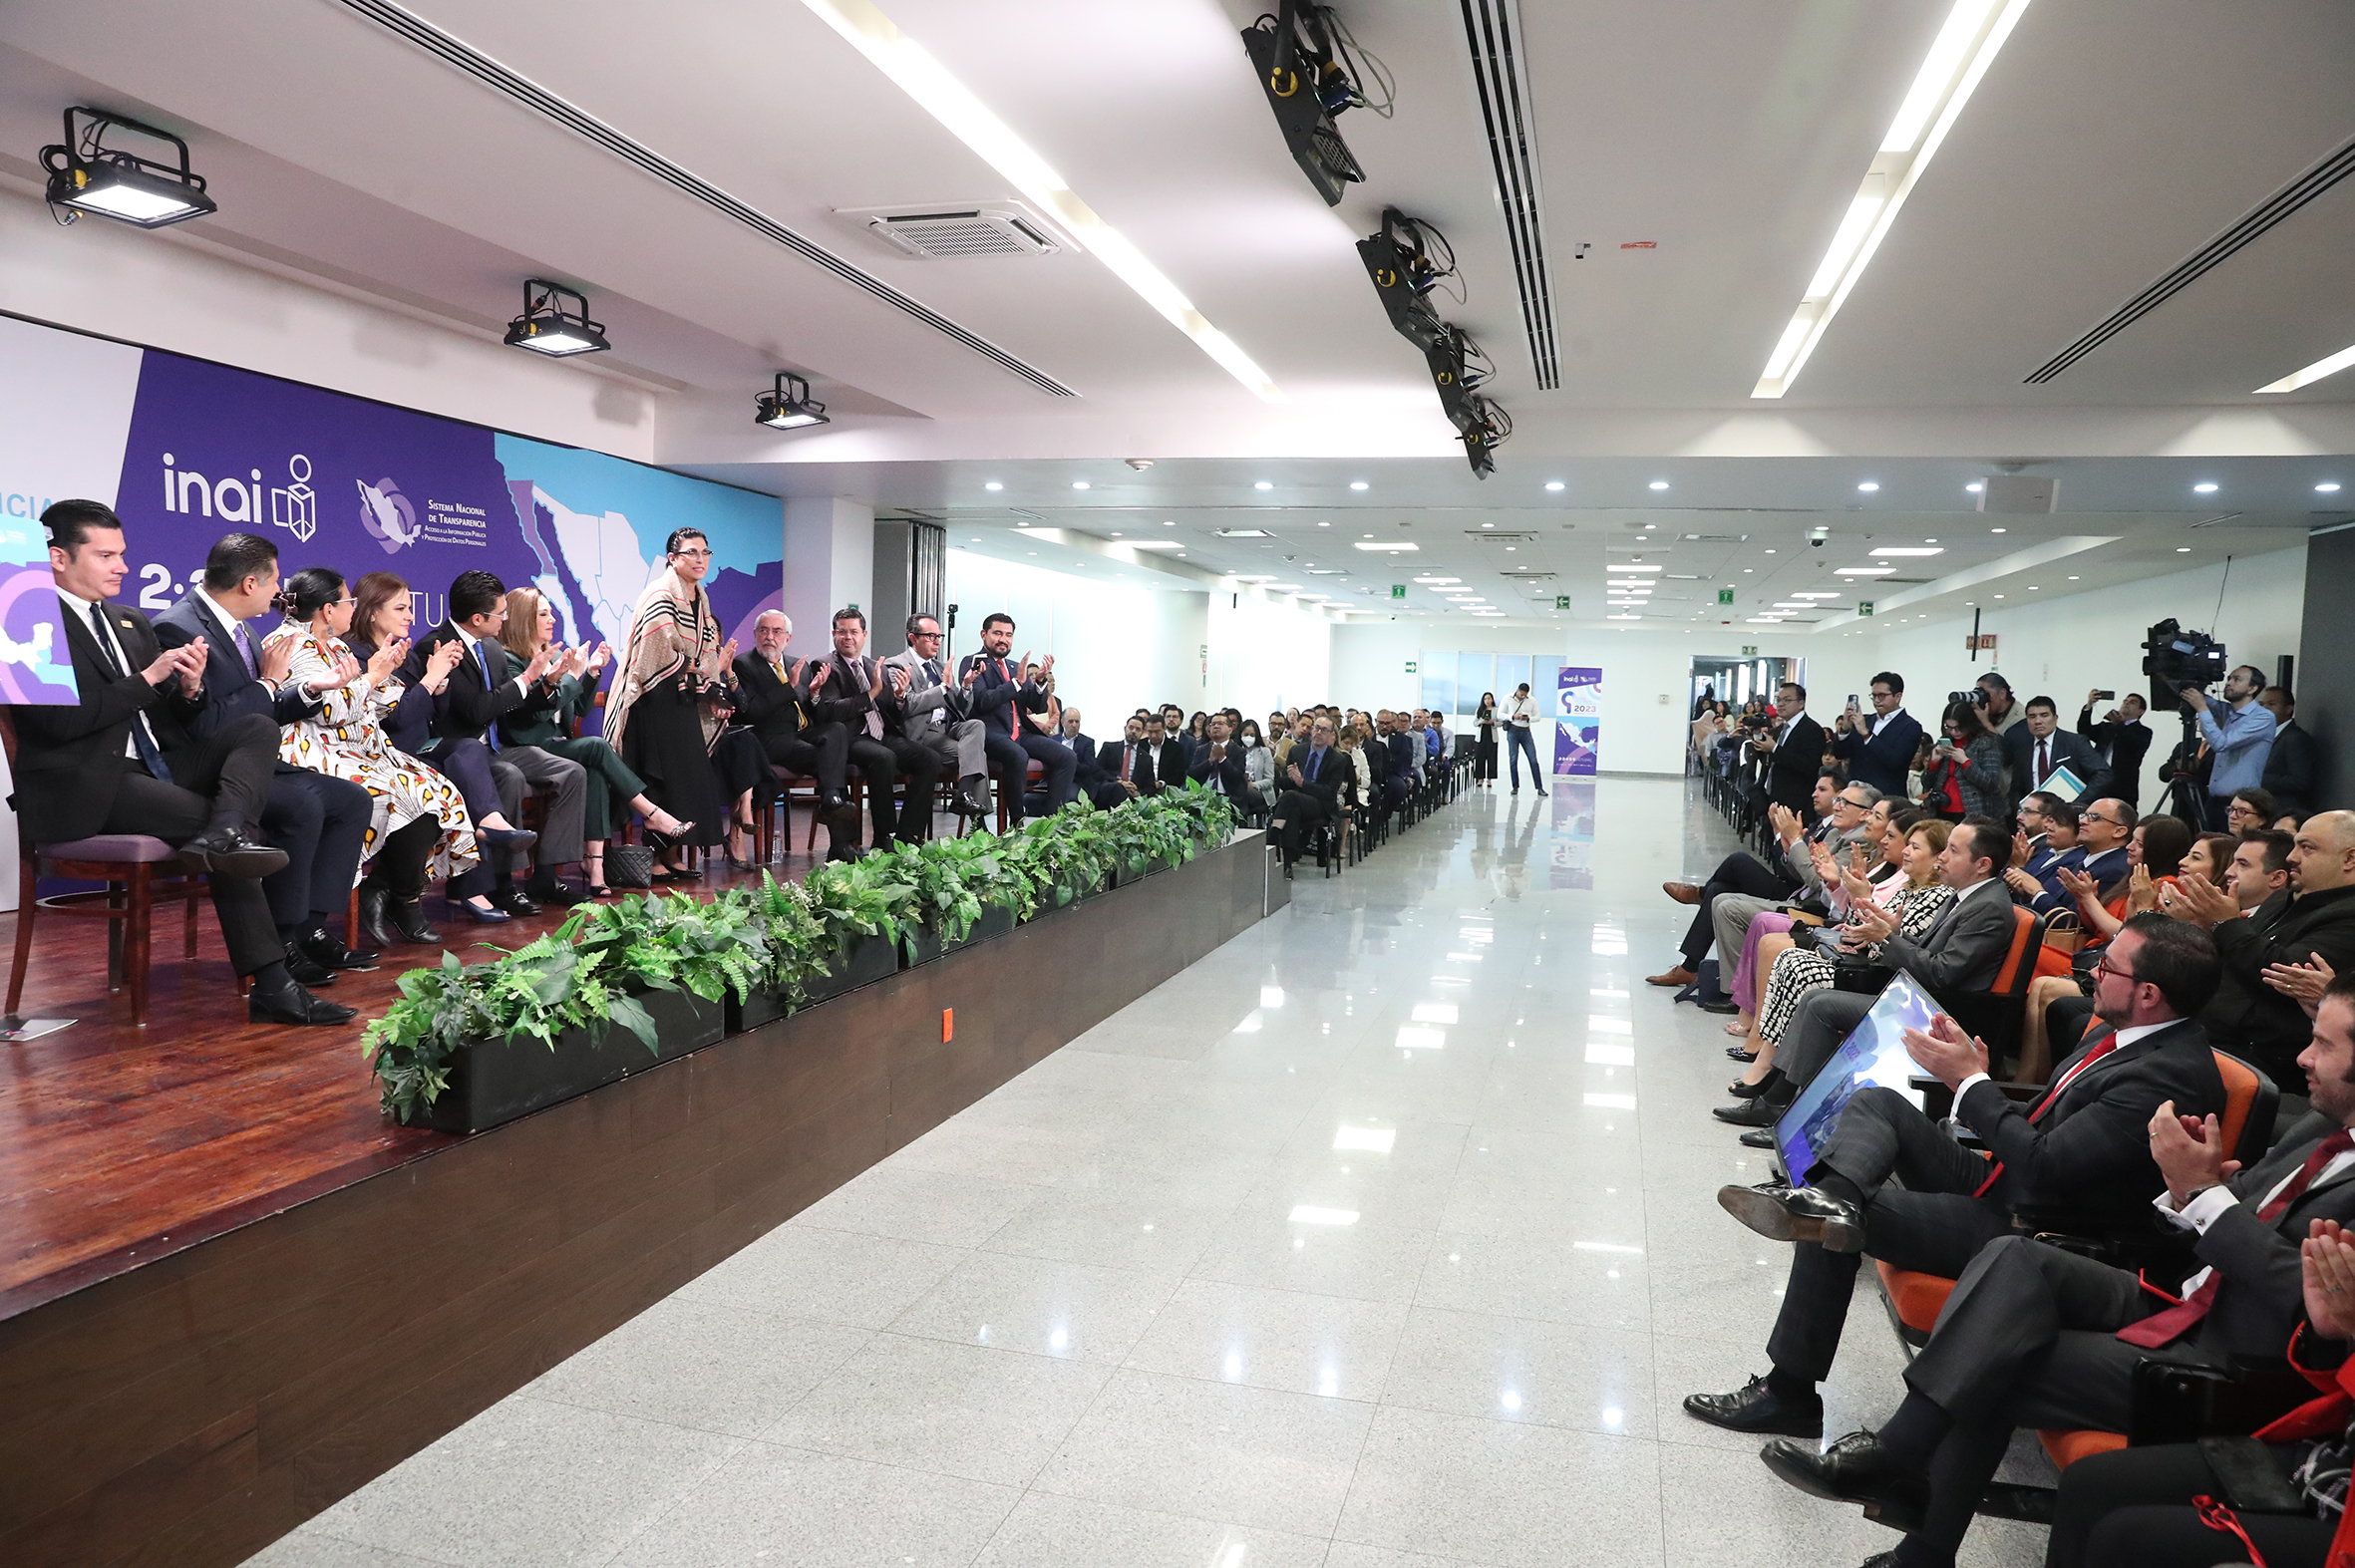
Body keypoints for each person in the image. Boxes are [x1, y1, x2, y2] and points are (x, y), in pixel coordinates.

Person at [1758, 970, 2355, 1568]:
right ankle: (1898, 1469)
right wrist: (2188, 1191)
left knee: (1992, 1356)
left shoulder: (2173, 1070)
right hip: (2178, 1293)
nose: (2303, 1057)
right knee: (2005, 1263)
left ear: (2150, 991)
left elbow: (2315, 1302)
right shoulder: (2322, 1127)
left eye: (2324, 1045)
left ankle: (1905, 1497)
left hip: (2238, 1361)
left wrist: (2204, 1196)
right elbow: (2219, 1215)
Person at [1688, 915, 2226, 1440]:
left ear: (2148, 993)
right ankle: (1833, 1199)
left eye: (2107, 967)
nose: (2093, 973)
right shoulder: (2124, 1034)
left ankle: (1789, 1392)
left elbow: (2045, 1166)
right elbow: (2044, 1125)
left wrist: (1971, 1082)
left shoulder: (2169, 1075)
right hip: (2010, 1181)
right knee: (1876, 1107)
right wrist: (1976, 1078)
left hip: (2039, 1228)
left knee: (1831, 1225)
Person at [18, 499, 346, 1026]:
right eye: (106, 556)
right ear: (59, 558)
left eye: (122, 554)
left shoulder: (128, 621)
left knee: (256, 727)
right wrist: (147, 679)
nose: (122, 566)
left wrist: (189, 690)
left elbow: (167, 716)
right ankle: (273, 984)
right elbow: (55, 725)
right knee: (228, 843)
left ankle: (228, 831)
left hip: (154, 767)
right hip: (84, 782)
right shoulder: (26, 620)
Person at [2040, 1221, 2355, 1568]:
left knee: (2125, 1538)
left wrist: (2210, 1205)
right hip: (2329, 1458)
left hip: (2239, 1379)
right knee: (2087, 1484)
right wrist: (2333, 1337)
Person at [155, 533, 376, 984]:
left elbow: (265, 709)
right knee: (303, 805)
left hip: (253, 762)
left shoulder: (244, 632)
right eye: (276, 580)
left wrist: (311, 689)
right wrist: (269, 683)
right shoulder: (177, 629)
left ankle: (311, 929)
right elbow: (204, 726)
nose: (280, 591)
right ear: (250, 583)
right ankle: (283, 941)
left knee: (352, 800)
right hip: (207, 772)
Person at [1735, 818, 2023, 1133]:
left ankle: (1785, 1106)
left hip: (1940, 1012)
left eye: (1953, 851)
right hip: (1920, 996)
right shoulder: (1967, 895)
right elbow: (1932, 955)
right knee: (1815, 998)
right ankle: (1782, 1099)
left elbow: (1942, 973)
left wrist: (1888, 938)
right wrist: (1894, 932)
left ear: (1982, 864)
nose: (1942, 857)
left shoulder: (1988, 907)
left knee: (1821, 1005)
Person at [266, 568, 493, 929]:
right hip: (314, 750)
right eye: (349, 601)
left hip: (357, 748)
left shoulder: (336, 646)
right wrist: (373, 675)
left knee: (437, 790)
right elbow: (330, 711)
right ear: (328, 610)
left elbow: (383, 703)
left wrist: (385, 673)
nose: (353, 608)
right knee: (405, 791)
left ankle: (397, 894)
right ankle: (377, 904)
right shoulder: (292, 644)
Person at [348, 571, 535, 941]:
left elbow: (432, 711)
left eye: (410, 607)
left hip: (419, 748)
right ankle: (402, 893)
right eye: (401, 608)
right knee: (447, 782)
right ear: (371, 612)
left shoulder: (401, 651)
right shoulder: (357, 655)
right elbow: (396, 718)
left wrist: (441, 684)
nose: (410, 616)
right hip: (383, 756)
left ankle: (489, 836)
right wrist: (432, 679)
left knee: (473, 753)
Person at [407, 570, 589, 912]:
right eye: (500, 613)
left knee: (572, 772)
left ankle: (546, 875)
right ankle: (504, 883)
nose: (506, 619)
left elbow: (512, 703)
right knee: (508, 775)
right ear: (478, 618)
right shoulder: (437, 646)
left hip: (499, 745)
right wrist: (527, 677)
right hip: (461, 754)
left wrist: (546, 683)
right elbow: (474, 711)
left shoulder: (490, 646)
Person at [499, 587, 695, 893]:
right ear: (524, 620)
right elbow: (536, 714)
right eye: (543, 614)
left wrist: (590, 673)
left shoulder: (554, 657)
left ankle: (595, 866)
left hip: (555, 746)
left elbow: (579, 708)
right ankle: (651, 813)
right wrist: (571, 676)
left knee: (595, 773)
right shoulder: (510, 661)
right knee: (596, 746)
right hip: (527, 747)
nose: (552, 619)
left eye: (551, 612)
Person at [604, 531, 759, 874]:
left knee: (689, 779)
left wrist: (711, 689)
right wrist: (690, 665)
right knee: (663, 776)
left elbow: (706, 652)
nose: (700, 559)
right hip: (651, 697)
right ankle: (654, 857)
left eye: (705, 552)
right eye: (691, 552)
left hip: (681, 696)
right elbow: (655, 650)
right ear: (673, 558)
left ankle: (671, 854)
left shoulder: (700, 598)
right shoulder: (660, 595)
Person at [2170, 812, 2355, 1091]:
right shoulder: (2281, 899)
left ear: (2350, 859)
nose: (2291, 857)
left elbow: (2282, 974)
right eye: (2295, 845)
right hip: (2202, 1032)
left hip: (2253, 1060)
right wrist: (2206, 928)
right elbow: (2235, 954)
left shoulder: (2348, 917)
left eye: (2307, 848)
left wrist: (2225, 924)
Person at [1648, 775, 1875, 990]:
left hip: (1815, 908)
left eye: (1844, 802)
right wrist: (1788, 847)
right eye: (1837, 801)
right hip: (1800, 893)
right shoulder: (1835, 833)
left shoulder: (1858, 842)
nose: (1837, 806)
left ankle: (1733, 987)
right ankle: (1693, 968)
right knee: (1718, 890)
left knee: (1734, 873)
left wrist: (1795, 841)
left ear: (1865, 814)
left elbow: (1820, 883)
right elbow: (1803, 874)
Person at [801, 607, 936, 849]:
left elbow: (892, 713)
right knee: (884, 758)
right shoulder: (824, 665)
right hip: (851, 737)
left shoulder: (876, 667)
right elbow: (830, 711)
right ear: (834, 634)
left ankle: (908, 835)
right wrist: (870, 694)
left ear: (864, 635)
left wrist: (900, 696)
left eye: (854, 632)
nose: (848, 637)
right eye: (842, 632)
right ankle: (885, 836)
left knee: (930, 759)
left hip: (883, 733)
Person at [732, 611, 859, 860]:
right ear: (755, 634)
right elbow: (751, 711)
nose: (770, 637)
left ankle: (831, 800)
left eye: (777, 631)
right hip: (770, 739)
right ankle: (840, 842)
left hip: (803, 734)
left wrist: (814, 695)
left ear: (787, 638)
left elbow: (816, 714)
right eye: (764, 631)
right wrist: (788, 687)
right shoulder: (744, 664)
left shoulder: (796, 664)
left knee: (836, 731)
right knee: (832, 761)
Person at [956, 615, 1075, 819]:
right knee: (1018, 755)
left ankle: (1049, 820)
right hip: (991, 733)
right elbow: (982, 701)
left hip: (1022, 732)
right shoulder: (973, 662)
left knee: (1067, 757)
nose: (1004, 639)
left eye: (1008, 635)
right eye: (998, 633)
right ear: (984, 634)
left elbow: (1036, 707)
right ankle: (1017, 821)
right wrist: (1015, 684)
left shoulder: (1014, 667)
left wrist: (1039, 683)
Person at [878, 613, 989, 820]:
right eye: (931, 636)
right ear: (913, 638)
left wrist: (966, 686)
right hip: (922, 732)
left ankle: (964, 796)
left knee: (975, 725)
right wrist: (942, 688)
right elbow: (908, 706)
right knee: (977, 756)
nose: (937, 642)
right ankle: (978, 822)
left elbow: (961, 710)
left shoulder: (938, 667)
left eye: (939, 636)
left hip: (947, 728)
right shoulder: (896, 666)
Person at [2184, 664, 2277, 831]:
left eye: (2237, 679)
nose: (2229, 683)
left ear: (2252, 688)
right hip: (2214, 801)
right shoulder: (2228, 711)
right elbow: (2199, 698)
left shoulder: (2263, 717)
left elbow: (2221, 744)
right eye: (2229, 679)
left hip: (2241, 805)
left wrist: (2202, 708)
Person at [1268, 716, 1349, 874]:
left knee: (1290, 798)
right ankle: (1288, 865)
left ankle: (1273, 834)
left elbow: (1329, 792)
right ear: (1312, 730)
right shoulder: (1297, 751)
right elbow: (1284, 784)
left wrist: (1302, 783)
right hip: (1296, 801)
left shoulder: (1338, 759)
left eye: (1324, 730)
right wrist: (1291, 777)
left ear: (1331, 734)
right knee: (1292, 809)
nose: (1318, 732)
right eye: (1316, 728)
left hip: (1321, 805)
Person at [2002, 694, 2109, 809]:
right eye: (2032, 717)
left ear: (2055, 718)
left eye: (2044, 715)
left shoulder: (2074, 742)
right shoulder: (2022, 748)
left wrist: (2078, 803)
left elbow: (2103, 773)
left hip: (2068, 812)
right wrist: (2020, 809)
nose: (2038, 721)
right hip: (2034, 813)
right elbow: (2017, 788)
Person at [1832, 673, 1925, 797]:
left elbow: (1895, 761)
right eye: (1874, 695)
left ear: (1897, 697)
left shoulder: (1910, 726)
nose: (1876, 700)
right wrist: (1845, 729)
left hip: (1887, 796)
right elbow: (1840, 754)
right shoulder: (1865, 720)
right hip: (1856, 794)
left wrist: (1867, 735)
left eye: (1882, 695)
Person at [1749, 680, 1828, 816]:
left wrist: (1775, 749)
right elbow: (1769, 760)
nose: (1780, 704)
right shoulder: (1781, 729)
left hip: (1796, 802)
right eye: (1778, 700)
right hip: (1772, 799)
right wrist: (1758, 738)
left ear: (1801, 703)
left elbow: (1809, 765)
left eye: (1787, 700)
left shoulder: (1811, 729)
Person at [1919, 699, 2004, 820]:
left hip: (1972, 810)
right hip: (1941, 808)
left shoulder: (1986, 742)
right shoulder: (1946, 741)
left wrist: (1965, 762)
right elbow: (1926, 783)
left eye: (1959, 727)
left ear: (1969, 723)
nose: (1954, 732)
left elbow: (1991, 783)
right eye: (1949, 727)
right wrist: (1934, 763)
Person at [2080, 689, 2153, 808]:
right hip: (2097, 781)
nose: (2126, 704)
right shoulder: (2107, 727)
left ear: (2141, 711)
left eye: (2132, 702)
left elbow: (2132, 742)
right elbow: (2084, 730)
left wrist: (2119, 724)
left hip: (2122, 788)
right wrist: (2089, 705)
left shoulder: (2144, 732)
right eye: (2125, 701)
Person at [1189, 713, 1267, 817]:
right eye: (1213, 724)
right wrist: (1210, 761)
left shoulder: (1238, 751)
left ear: (1230, 730)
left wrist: (1223, 759)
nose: (1216, 726)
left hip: (1229, 799)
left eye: (1220, 723)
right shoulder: (1201, 749)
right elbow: (1192, 774)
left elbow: (1237, 777)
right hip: (1203, 798)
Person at [2261, 685, 2319, 818]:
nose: (2264, 709)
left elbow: (2300, 781)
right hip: (2264, 811)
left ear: (2288, 709)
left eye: (2271, 704)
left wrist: (2257, 778)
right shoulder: (2263, 736)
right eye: (2261, 704)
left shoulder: (2295, 738)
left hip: (2284, 813)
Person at [1503, 683, 1546, 795]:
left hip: (1526, 731)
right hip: (1513, 730)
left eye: (1525, 695)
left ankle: (1539, 788)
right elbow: (1499, 714)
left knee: (1533, 759)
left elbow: (1538, 717)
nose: (1522, 697)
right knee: (1513, 759)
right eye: (1521, 694)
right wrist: (1512, 716)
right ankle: (1515, 787)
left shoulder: (1532, 700)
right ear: (1517, 690)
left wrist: (1528, 718)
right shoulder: (1507, 698)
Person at [1145, 712, 1188, 797]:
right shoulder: (1141, 746)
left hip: (1166, 789)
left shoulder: (1175, 748)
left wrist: (1161, 783)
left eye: (1157, 732)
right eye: (1150, 732)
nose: (1153, 736)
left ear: (1164, 729)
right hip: (1144, 788)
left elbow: (1180, 775)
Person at [1474, 691, 1499, 785]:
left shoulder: (1496, 710)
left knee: (1492, 758)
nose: (1487, 701)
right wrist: (1481, 722)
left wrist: (1493, 722)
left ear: (1492, 700)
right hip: (1481, 737)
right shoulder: (1479, 710)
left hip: (1492, 737)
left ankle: (1489, 779)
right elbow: (1474, 723)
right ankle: (1480, 778)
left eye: (1489, 698)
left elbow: (1501, 722)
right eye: (1485, 699)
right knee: (1480, 758)